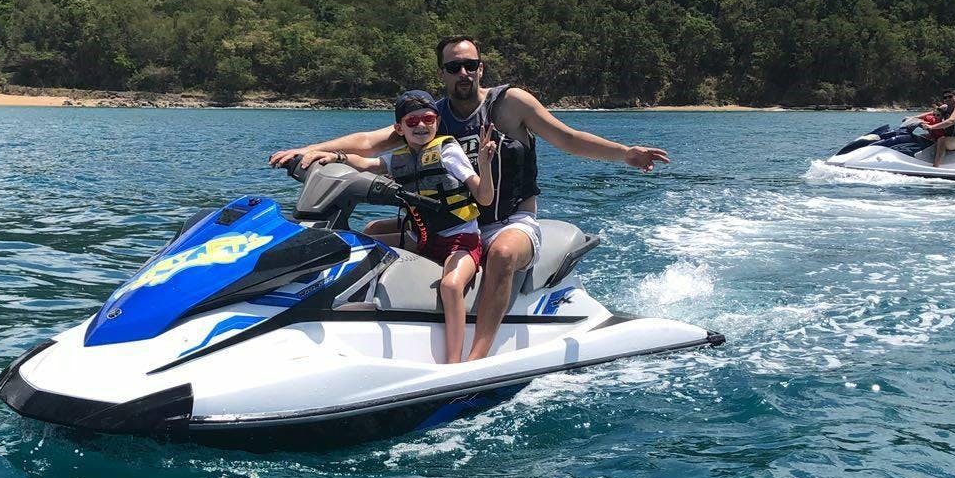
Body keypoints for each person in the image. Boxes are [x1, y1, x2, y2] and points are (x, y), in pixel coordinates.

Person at [270, 35, 670, 361]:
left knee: (501, 255)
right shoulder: (430, 116)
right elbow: (370, 143)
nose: (463, 72)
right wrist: (312, 150)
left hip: (510, 221)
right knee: (371, 232)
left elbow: (566, 138)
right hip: (452, 222)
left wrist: (625, 154)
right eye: (453, 67)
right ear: (442, 73)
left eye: (470, 65)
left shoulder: (509, 104)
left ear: (481, 68)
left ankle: (476, 358)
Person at [313, 90, 495, 364]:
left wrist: (484, 165)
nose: (421, 125)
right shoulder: (397, 157)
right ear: (399, 127)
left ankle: (455, 362)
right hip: (421, 238)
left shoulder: (448, 151)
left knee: (450, 285)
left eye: (428, 118)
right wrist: (337, 157)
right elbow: (366, 163)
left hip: (460, 240)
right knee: (363, 242)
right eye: (412, 121)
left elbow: (484, 197)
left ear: (436, 121)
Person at [923, 91, 955, 167]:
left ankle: (935, 167)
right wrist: (914, 118)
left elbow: (951, 121)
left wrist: (932, 127)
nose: (947, 99)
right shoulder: (945, 107)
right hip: (950, 137)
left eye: (950, 96)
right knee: (923, 137)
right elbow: (932, 113)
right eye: (945, 97)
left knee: (942, 140)